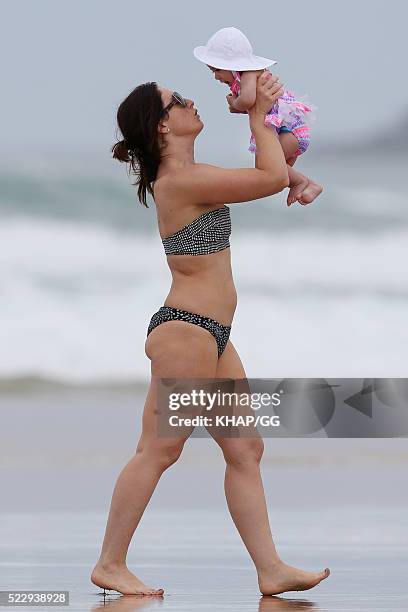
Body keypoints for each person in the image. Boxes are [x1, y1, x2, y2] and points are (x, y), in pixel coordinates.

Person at [90, 71, 330, 597]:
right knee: (159, 451)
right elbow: (266, 177)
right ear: (160, 129)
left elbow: (270, 173)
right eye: (177, 101)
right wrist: (255, 115)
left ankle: (270, 569)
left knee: (245, 450)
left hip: (211, 335)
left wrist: (293, 172)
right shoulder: (179, 181)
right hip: (185, 333)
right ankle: (110, 562)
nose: (190, 100)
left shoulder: (194, 174)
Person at [194, 26, 323, 207]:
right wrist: (241, 107)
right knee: (275, 170)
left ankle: (303, 182)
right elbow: (255, 105)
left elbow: (248, 100)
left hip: (288, 130)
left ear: (231, 65)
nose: (215, 76)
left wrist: (235, 103)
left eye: (216, 70)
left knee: (264, 166)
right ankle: (304, 184)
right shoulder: (245, 77)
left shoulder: (248, 73)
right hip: (282, 130)